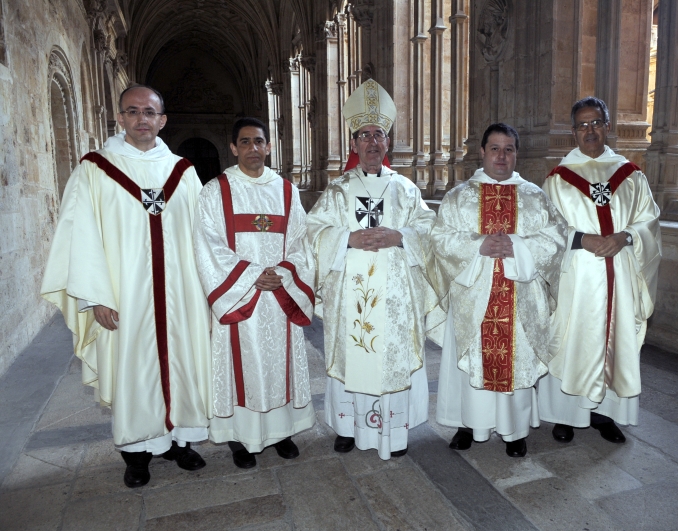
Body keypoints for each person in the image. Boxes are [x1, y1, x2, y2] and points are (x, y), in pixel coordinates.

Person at [41, 85, 212, 488]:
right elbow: (81, 236)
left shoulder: (183, 173)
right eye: (132, 112)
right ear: (119, 118)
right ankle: (135, 454)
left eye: (149, 112)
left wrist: (209, 291)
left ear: (162, 120)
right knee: (133, 369)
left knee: (183, 363)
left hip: (181, 296)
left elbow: (206, 234)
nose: (141, 120)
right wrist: (95, 295)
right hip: (125, 295)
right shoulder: (94, 169)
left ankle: (179, 442)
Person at [306, 79, 439, 460]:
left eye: (378, 134)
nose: (372, 142)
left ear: (387, 143)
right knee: (353, 355)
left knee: (390, 359)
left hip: (395, 300)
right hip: (351, 297)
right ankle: (349, 427)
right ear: (354, 145)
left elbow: (429, 230)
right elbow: (313, 232)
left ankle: (393, 434)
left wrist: (401, 235)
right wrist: (347, 238)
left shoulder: (406, 190)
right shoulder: (338, 190)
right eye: (364, 135)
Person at [432, 123, 568, 457]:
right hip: (473, 298)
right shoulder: (459, 197)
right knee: (473, 360)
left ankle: (514, 431)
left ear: (517, 154)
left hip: (520, 299)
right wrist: (479, 245)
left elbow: (556, 240)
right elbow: (439, 239)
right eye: (495, 148)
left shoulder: (535, 198)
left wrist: (516, 246)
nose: (502, 156)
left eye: (509, 149)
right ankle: (469, 424)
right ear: (482, 152)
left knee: (516, 361)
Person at [193, 117, 315, 467]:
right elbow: (207, 244)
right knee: (241, 366)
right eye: (244, 142)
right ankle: (240, 438)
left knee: (279, 364)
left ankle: (282, 432)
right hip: (239, 297)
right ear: (233, 148)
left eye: (259, 141)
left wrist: (283, 273)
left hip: (278, 294)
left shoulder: (286, 191)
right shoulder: (215, 190)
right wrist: (249, 276)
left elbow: (301, 242)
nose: (252, 149)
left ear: (269, 146)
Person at [539, 96, 662, 444]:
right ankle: (565, 415)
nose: (589, 130)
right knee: (572, 341)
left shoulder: (631, 175)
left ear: (608, 127)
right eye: (582, 125)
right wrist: (582, 239)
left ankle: (606, 415)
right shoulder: (558, 180)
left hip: (620, 275)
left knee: (615, 339)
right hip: (576, 276)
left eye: (596, 123)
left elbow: (649, 220)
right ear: (573, 132)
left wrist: (626, 236)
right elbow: (546, 230)